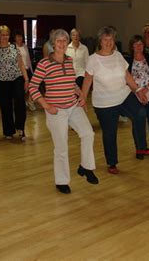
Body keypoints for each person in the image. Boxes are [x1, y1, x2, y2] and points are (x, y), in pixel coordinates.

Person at [29, 29, 98, 194]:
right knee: (61, 147)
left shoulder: (69, 60)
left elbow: (71, 82)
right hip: (56, 111)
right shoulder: (44, 63)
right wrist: (46, 106)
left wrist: (80, 94)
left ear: (67, 43)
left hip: (73, 106)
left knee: (88, 133)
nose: (61, 43)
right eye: (58, 41)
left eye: (64, 41)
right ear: (53, 44)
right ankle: (61, 181)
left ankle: (86, 167)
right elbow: (32, 87)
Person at [81, 26, 149, 175]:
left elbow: (127, 76)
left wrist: (138, 90)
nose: (109, 42)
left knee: (140, 113)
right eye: (105, 39)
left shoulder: (118, 55)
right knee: (110, 133)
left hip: (123, 95)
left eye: (111, 39)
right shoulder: (93, 59)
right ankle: (112, 163)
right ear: (100, 41)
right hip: (104, 102)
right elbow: (87, 82)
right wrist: (82, 100)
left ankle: (140, 147)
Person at [0, 25, 29, 140]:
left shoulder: (14, 47)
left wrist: (26, 79)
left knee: (20, 102)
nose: (4, 37)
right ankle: (8, 131)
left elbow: (21, 64)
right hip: (1, 81)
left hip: (16, 78)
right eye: (2, 35)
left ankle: (20, 128)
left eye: (6, 34)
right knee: (5, 107)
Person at [128, 35, 149, 160]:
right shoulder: (128, 60)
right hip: (135, 96)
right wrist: (138, 91)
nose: (138, 46)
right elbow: (127, 79)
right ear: (132, 46)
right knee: (137, 123)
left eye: (140, 44)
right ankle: (140, 148)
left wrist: (146, 89)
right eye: (136, 44)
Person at [14, 31, 35, 111]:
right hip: (18, 71)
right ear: (15, 38)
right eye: (17, 37)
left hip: (27, 69)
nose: (19, 38)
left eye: (21, 36)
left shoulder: (25, 46)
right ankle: (21, 104)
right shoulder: (13, 47)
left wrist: (31, 70)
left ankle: (29, 101)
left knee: (31, 87)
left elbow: (28, 59)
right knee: (20, 90)